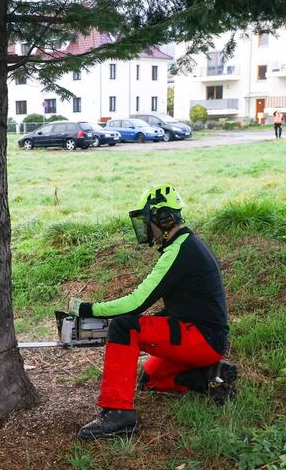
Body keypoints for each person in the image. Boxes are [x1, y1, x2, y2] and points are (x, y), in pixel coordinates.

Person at [70, 185, 236, 440]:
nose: (145, 228)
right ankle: (209, 377)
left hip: (202, 338)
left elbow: (137, 302)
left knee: (124, 327)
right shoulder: (184, 245)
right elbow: (183, 304)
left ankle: (118, 414)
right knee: (149, 380)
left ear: (164, 217)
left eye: (147, 221)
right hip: (200, 337)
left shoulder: (181, 249)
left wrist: (89, 309)